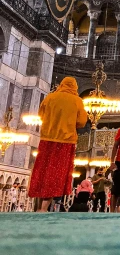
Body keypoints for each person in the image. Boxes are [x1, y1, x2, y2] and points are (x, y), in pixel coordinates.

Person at [29, 76, 88, 212]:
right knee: (56, 173)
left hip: (47, 139)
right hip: (65, 141)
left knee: (43, 170)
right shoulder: (77, 101)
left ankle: (39, 206)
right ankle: (44, 207)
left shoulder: (50, 97)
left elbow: (41, 115)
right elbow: (82, 122)